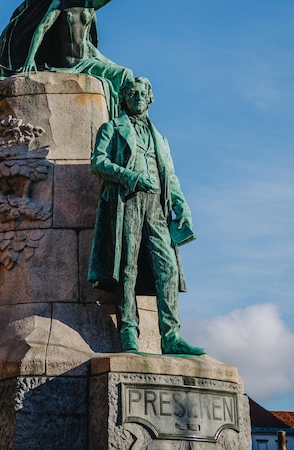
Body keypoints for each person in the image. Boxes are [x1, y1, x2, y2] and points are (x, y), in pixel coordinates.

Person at [88, 77, 206, 356]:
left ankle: (171, 336)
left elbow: (171, 177)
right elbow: (98, 161)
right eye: (132, 93)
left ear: (150, 98)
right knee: (128, 267)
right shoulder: (112, 128)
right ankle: (129, 331)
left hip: (157, 206)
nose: (137, 97)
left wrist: (182, 206)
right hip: (126, 201)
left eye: (142, 93)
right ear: (124, 98)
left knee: (167, 268)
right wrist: (130, 176)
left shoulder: (160, 138)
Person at [0, 0, 140, 118]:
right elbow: (42, 28)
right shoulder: (61, 3)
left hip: (90, 58)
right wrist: (30, 58)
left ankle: (124, 126)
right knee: (122, 76)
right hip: (72, 63)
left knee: (126, 75)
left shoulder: (91, 4)